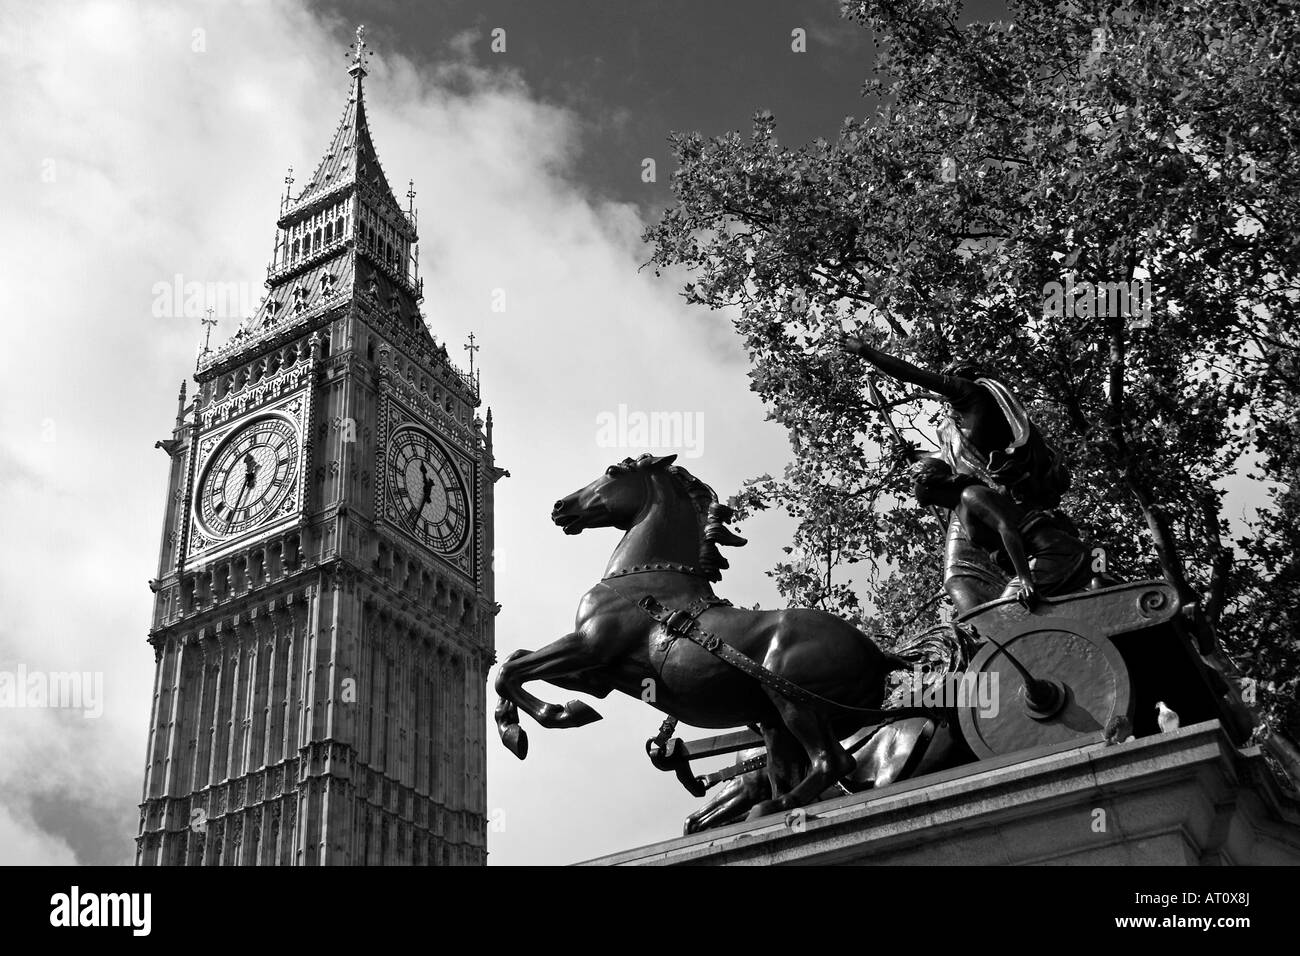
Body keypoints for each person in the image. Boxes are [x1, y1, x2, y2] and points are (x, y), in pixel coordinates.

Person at [841, 333, 1072, 612]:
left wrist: (866, 351)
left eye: (947, 386)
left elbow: (913, 374)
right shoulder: (957, 424)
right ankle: (990, 624)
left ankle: (1006, 614)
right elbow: (951, 459)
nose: (944, 396)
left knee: (961, 575)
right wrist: (916, 456)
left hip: (985, 497)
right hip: (964, 499)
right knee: (957, 578)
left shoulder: (971, 394)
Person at [911, 457, 1092, 606]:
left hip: (1052, 552)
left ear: (926, 482)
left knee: (1006, 611)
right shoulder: (957, 507)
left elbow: (1007, 529)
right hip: (1036, 560)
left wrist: (1025, 580)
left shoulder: (971, 495)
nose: (913, 490)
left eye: (913, 484)